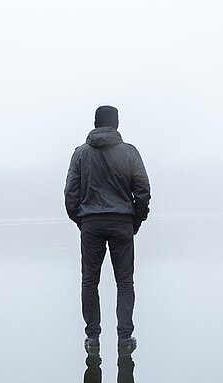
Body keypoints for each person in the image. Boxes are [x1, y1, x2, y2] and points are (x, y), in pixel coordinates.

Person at [64, 105, 151, 354]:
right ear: (116, 124)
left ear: (95, 123)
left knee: (89, 281)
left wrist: (81, 220)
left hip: (91, 223)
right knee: (124, 282)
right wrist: (136, 219)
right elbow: (143, 189)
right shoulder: (130, 153)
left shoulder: (80, 154)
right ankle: (125, 338)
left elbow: (71, 193)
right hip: (122, 222)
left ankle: (92, 338)